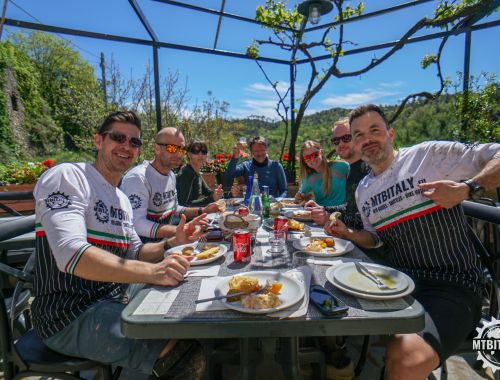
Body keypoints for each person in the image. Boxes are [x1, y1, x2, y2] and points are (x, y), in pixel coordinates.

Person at [325, 104, 500, 380]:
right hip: (396, 283)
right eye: (358, 135)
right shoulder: (363, 190)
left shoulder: (427, 156)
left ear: (390, 134)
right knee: (327, 299)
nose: (367, 139)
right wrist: (348, 234)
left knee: (404, 360)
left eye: (375, 130)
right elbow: (375, 239)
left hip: (451, 285)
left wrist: (468, 188)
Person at [32, 111, 208, 379]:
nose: (126, 146)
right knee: (182, 348)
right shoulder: (69, 176)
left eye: (134, 142)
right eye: (118, 137)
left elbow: (135, 252)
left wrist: (172, 242)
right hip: (69, 315)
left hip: (114, 299)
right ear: (98, 140)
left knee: (191, 305)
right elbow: (71, 254)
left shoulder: (121, 199)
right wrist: (153, 272)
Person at [121, 128, 220, 243]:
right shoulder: (138, 178)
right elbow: (137, 224)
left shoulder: (171, 175)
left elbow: (174, 209)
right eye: (172, 148)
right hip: (143, 253)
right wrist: (181, 230)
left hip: (166, 245)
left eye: (182, 149)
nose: (179, 154)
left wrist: (202, 210)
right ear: (157, 148)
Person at [305, 118, 370, 229]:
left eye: (346, 138)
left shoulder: (369, 168)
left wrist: (329, 217)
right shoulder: (351, 169)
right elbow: (350, 208)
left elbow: (367, 219)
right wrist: (323, 209)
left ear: (357, 137)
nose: (340, 144)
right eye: (336, 140)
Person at [176, 140, 239, 207]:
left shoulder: (196, 173)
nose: (200, 155)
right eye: (196, 151)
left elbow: (209, 193)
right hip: (184, 216)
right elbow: (185, 204)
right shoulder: (186, 173)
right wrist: (212, 198)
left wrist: (231, 194)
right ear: (189, 154)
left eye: (203, 152)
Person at [295, 140, 348, 206]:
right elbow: (303, 196)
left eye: (315, 154)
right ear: (304, 161)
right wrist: (300, 197)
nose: (312, 159)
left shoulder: (342, 167)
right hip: (320, 213)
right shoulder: (308, 178)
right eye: (307, 157)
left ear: (321, 153)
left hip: (340, 213)